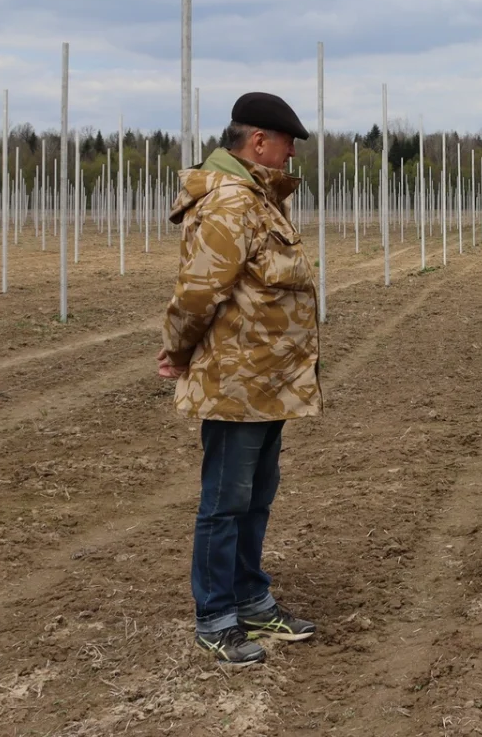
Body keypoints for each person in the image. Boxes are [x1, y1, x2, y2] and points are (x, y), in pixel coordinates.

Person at [159, 92, 322, 666]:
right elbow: (199, 290)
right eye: (286, 143)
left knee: (255, 496)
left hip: (268, 379)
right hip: (236, 380)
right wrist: (178, 350)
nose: (291, 153)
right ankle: (216, 616)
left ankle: (252, 599)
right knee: (225, 501)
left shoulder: (257, 199)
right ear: (257, 142)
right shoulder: (230, 201)